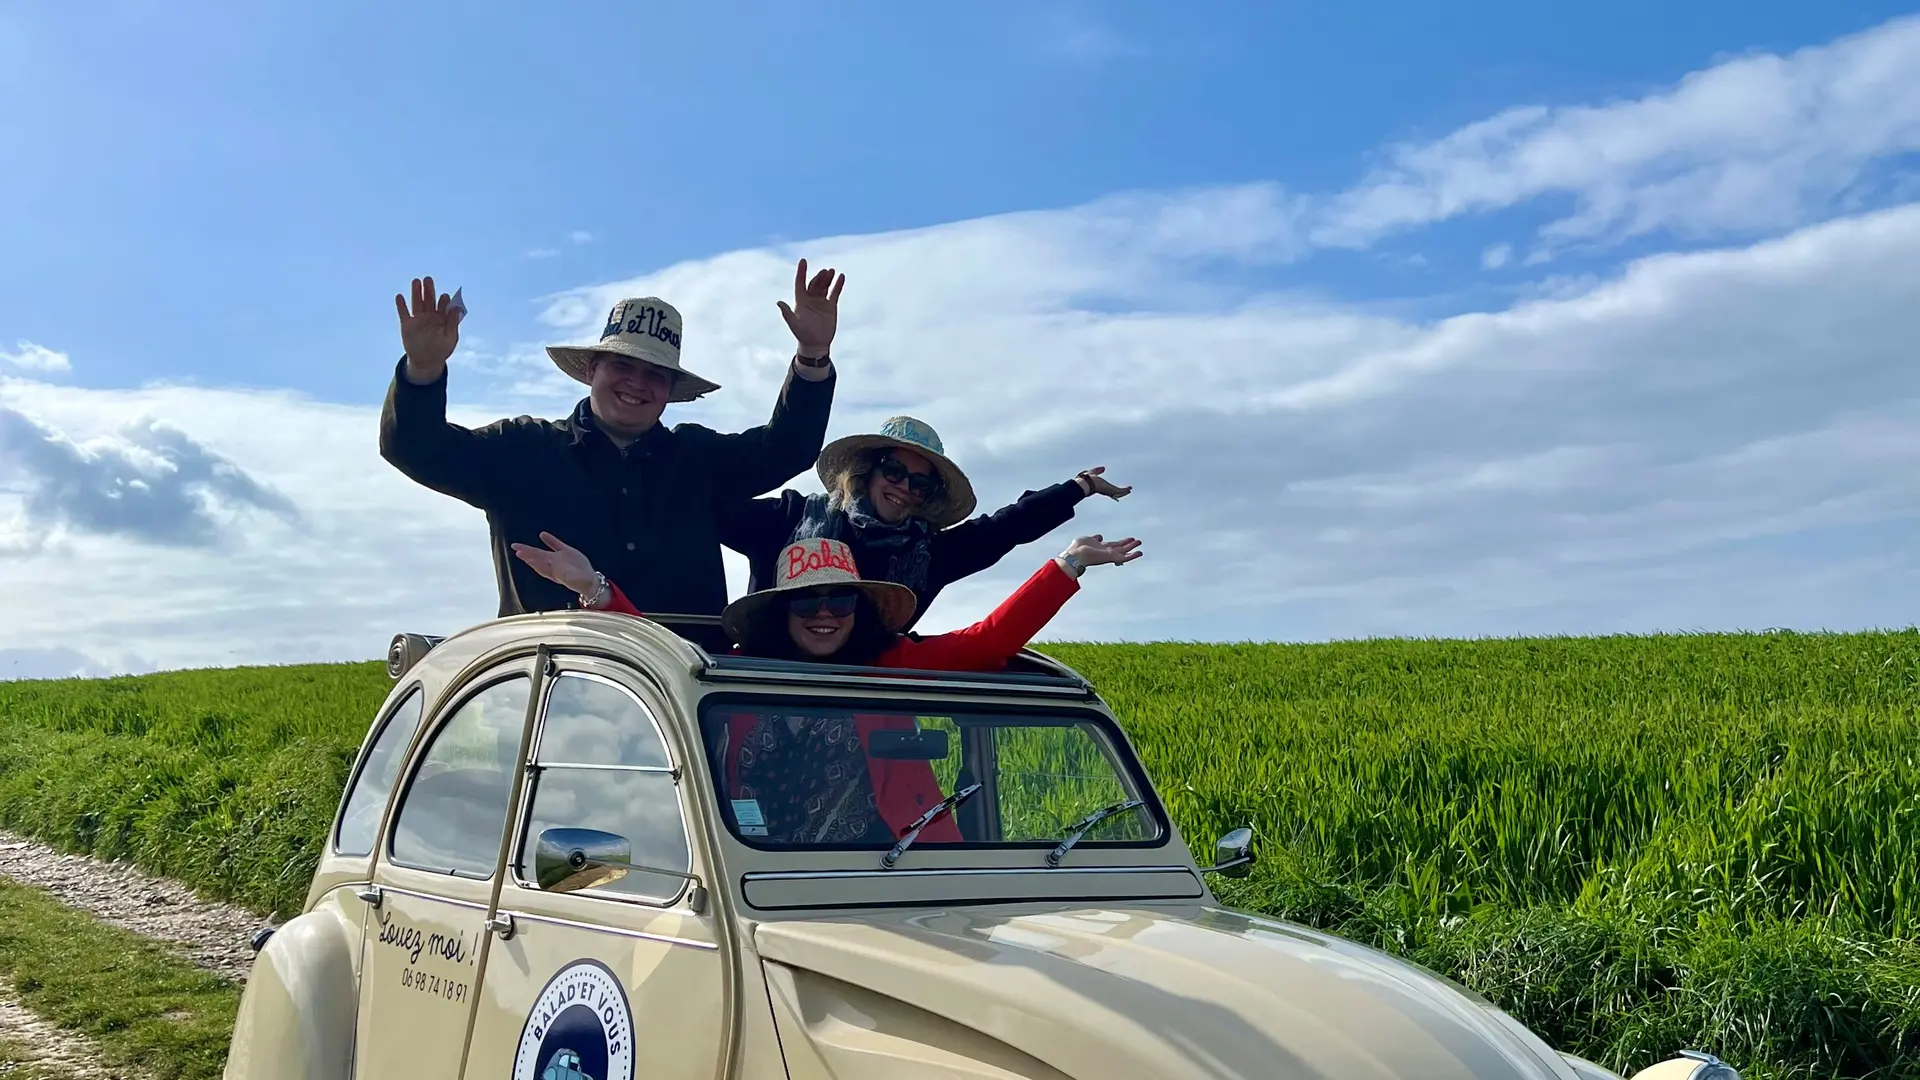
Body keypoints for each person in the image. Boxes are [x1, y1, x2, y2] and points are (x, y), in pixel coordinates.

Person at [512, 530, 1142, 843]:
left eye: (839, 597)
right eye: (806, 599)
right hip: (754, 870)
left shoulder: (891, 665)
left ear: (859, 607)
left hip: (886, 866)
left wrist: (1066, 565)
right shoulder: (735, 672)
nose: (824, 612)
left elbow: (985, 644)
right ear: (780, 611)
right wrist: (592, 586)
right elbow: (656, 655)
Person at [378, 261, 846, 617]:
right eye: (623, 365)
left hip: (681, 703)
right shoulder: (519, 450)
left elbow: (785, 449)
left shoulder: (698, 460)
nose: (637, 383)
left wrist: (812, 355)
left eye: (656, 374)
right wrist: (423, 369)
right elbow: (415, 449)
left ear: (670, 390)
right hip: (552, 692)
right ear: (591, 370)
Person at [716, 414, 1132, 631]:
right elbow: (708, 512)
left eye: (920, 484)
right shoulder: (789, 518)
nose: (904, 488)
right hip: (760, 691)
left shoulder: (930, 554)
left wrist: (1080, 487)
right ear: (867, 471)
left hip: (862, 705)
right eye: (894, 472)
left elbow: (1005, 527)